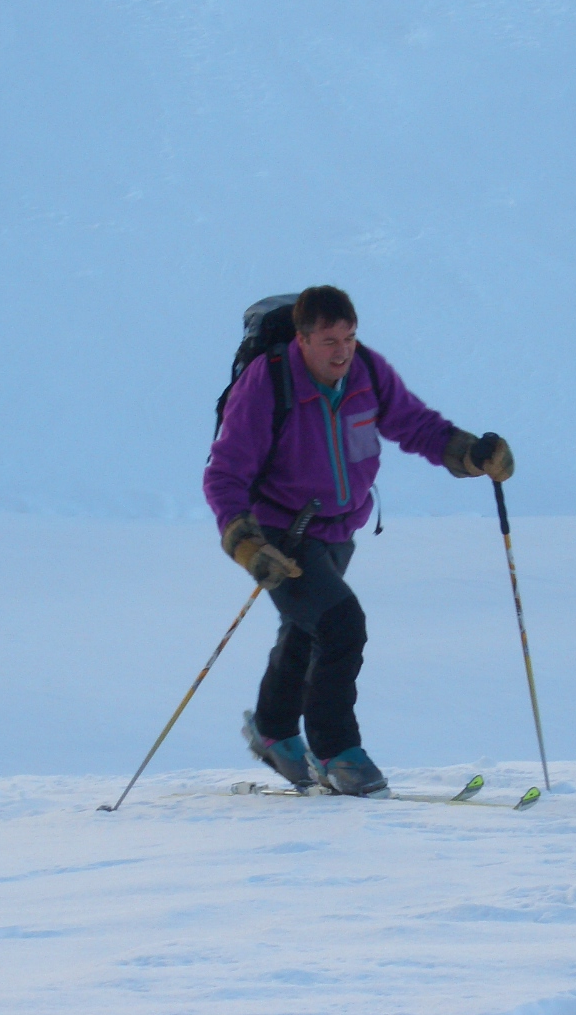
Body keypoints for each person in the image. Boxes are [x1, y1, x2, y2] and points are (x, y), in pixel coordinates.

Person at [203, 285, 513, 796]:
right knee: (341, 625)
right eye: (329, 340)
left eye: (349, 336)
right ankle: (337, 751)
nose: (342, 350)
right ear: (301, 340)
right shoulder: (268, 382)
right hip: (282, 531)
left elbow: (414, 424)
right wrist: (246, 544)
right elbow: (225, 473)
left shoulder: (366, 372)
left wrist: (469, 453)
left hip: (339, 528)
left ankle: (274, 730)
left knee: (307, 630)